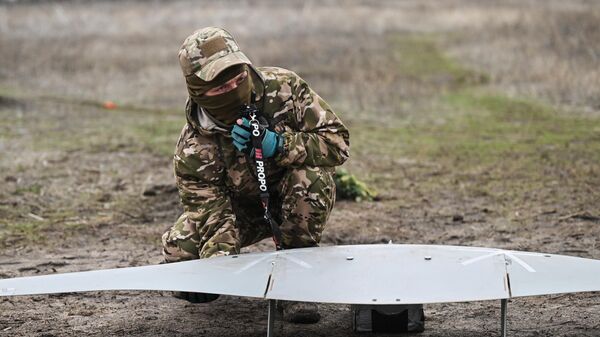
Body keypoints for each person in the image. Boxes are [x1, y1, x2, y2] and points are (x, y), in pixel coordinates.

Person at [161, 27, 350, 324]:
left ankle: (296, 282)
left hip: (293, 198)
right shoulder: (192, 149)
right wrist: (218, 269)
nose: (236, 89)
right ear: (199, 91)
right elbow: (212, 214)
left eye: (240, 78)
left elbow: (337, 144)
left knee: (309, 178)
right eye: (222, 88)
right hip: (241, 213)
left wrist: (279, 144)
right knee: (178, 252)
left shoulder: (284, 88)